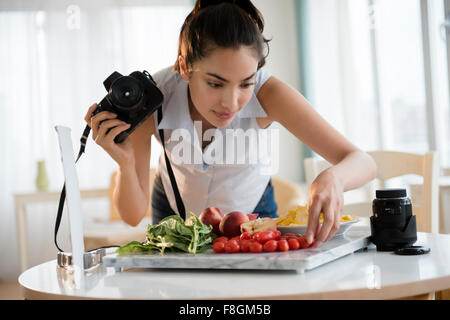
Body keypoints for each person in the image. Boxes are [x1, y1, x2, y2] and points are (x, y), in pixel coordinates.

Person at [84, 0, 377, 248]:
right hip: (175, 214)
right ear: (185, 67)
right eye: (215, 83)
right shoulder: (154, 96)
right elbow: (132, 216)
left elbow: (362, 162)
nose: (232, 102)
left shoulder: (269, 93)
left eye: (245, 83)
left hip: (253, 213)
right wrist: (124, 163)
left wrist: (333, 178)